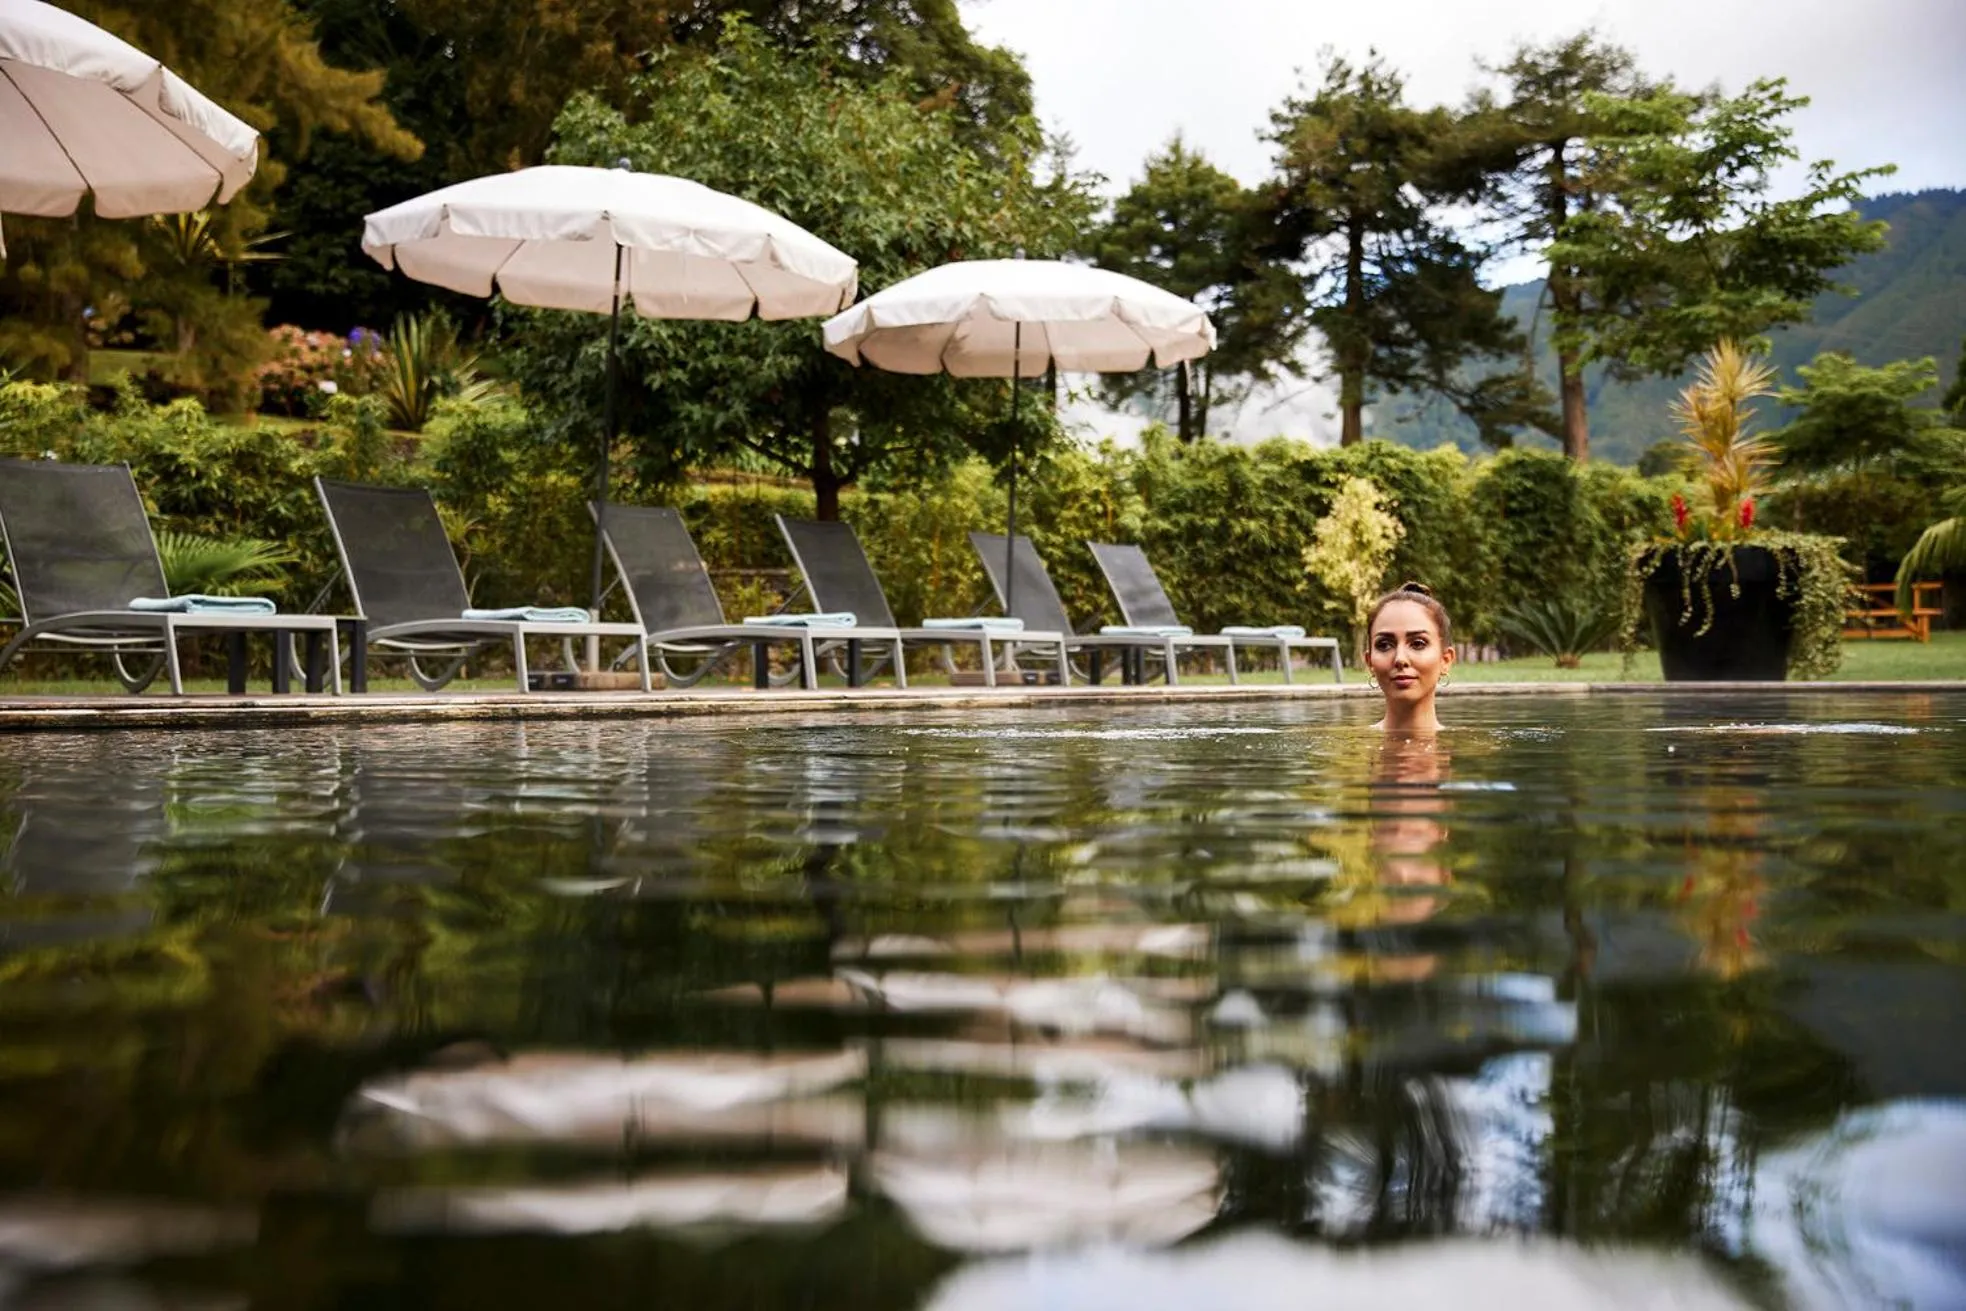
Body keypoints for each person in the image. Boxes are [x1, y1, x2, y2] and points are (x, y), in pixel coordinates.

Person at [1365, 582, 1455, 733]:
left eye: (1418, 644)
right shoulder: (1346, 745)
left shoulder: (1474, 747)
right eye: (1384, 645)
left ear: (1445, 660)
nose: (1400, 659)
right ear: (1369, 662)